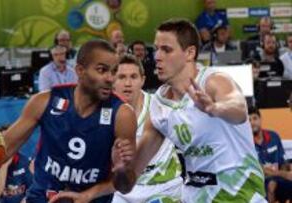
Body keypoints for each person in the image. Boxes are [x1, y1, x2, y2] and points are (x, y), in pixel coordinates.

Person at [0, 39, 137, 203]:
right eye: (101, 70)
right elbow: (1, 152)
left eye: (114, 71)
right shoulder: (44, 102)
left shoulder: (122, 115)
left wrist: (121, 169)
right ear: (79, 71)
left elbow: (125, 186)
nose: (110, 78)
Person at [132, 18, 266, 202]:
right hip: (196, 196)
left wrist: (215, 108)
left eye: (167, 49)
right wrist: (119, 166)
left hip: (240, 193)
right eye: (156, 49)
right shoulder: (159, 103)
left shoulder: (213, 80)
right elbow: (132, 172)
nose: (157, 56)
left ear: (190, 53)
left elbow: (238, 108)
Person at [111, 54, 183, 203]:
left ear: (142, 80)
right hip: (123, 190)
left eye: (133, 77)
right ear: (112, 80)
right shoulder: (104, 112)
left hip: (164, 187)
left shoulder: (161, 105)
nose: (128, 83)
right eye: (122, 77)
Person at [249, 107, 292, 202]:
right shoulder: (246, 143)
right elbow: (260, 170)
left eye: (255, 118)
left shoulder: (274, 136)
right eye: (249, 120)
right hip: (259, 182)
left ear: (260, 119)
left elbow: (283, 162)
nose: (252, 123)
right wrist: (284, 175)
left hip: (278, 179)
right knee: (270, 186)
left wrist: (279, 177)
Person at [0, 125, 33, 203]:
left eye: (9, 140)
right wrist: (4, 165)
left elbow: (32, 191)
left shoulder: (26, 162)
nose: (6, 145)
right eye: (3, 141)